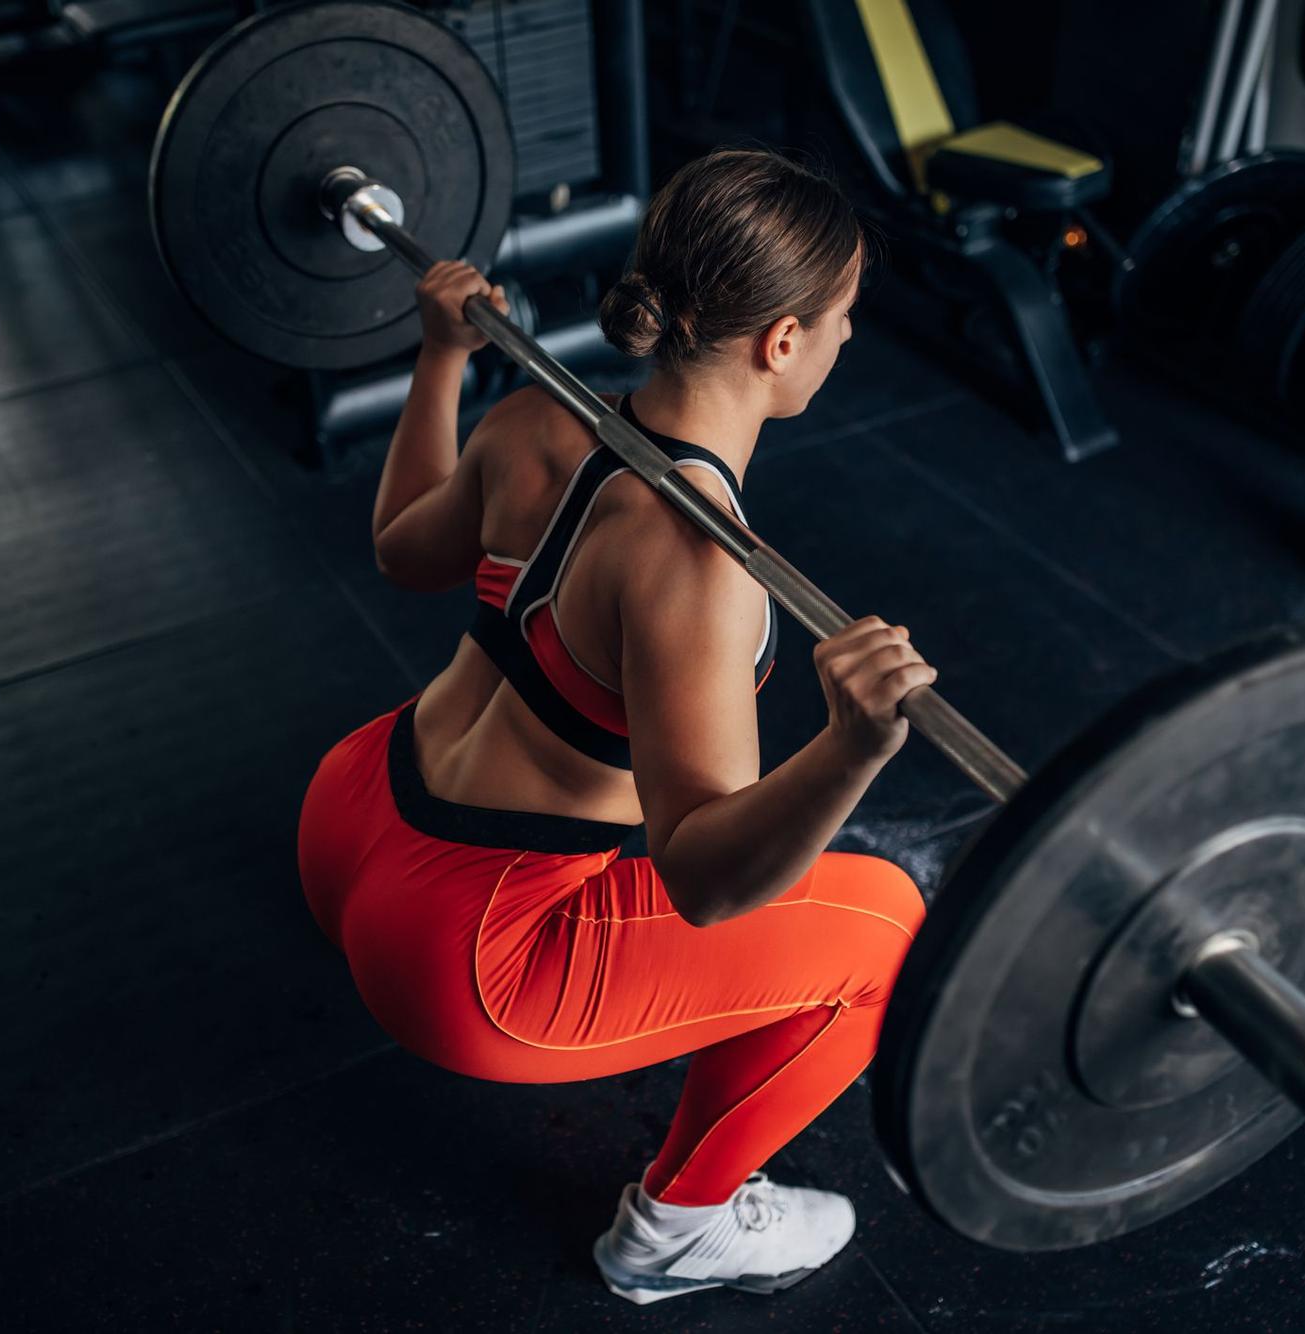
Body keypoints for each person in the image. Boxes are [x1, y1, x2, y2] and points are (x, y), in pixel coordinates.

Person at [297, 148, 936, 1306]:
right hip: (465, 965)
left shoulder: (535, 414)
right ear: (780, 341)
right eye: (841, 319)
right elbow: (702, 875)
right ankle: (676, 1231)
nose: (846, 339)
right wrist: (847, 747)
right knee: (887, 932)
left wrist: (440, 358)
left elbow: (399, 548)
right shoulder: (701, 566)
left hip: (348, 814)